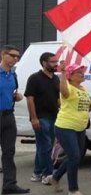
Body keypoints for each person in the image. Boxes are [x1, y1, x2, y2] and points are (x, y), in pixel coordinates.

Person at [50, 63, 91, 195]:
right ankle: (73, 190)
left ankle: (55, 177)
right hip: (66, 126)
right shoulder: (68, 88)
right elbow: (63, 91)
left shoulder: (83, 89)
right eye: (78, 72)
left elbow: (86, 109)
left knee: (76, 157)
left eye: (82, 71)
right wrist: (62, 72)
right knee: (74, 157)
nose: (82, 73)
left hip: (80, 127)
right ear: (70, 76)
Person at [25, 52, 60, 186]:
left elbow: (58, 99)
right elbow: (30, 98)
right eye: (52, 62)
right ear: (44, 63)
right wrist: (34, 118)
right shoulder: (34, 78)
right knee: (46, 146)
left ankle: (37, 173)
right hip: (41, 117)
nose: (55, 64)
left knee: (44, 146)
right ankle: (48, 174)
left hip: (54, 117)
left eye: (56, 61)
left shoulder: (56, 79)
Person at [0, 45, 29, 195]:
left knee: (9, 151)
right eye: (12, 55)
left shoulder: (13, 75)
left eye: (17, 56)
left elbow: (12, 92)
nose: (15, 59)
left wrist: (16, 97)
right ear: (3, 55)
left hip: (8, 115)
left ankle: (10, 184)